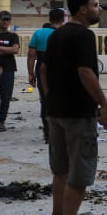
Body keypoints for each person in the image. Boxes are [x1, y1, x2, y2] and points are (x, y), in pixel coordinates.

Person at [41, 0, 107, 215]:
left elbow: (43, 69)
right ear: (82, 9)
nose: (98, 9)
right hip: (79, 114)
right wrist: (103, 103)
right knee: (79, 175)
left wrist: (50, 97)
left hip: (55, 112)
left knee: (61, 170)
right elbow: (85, 73)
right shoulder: (84, 35)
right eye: (95, 4)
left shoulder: (57, 35)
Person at [27, 9, 65, 142]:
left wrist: (31, 74)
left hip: (42, 70)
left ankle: (48, 133)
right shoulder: (65, 34)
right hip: (61, 71)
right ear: (63, 18)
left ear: (49, 18)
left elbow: (31, 55)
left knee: (45, 101)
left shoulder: (38, 33)